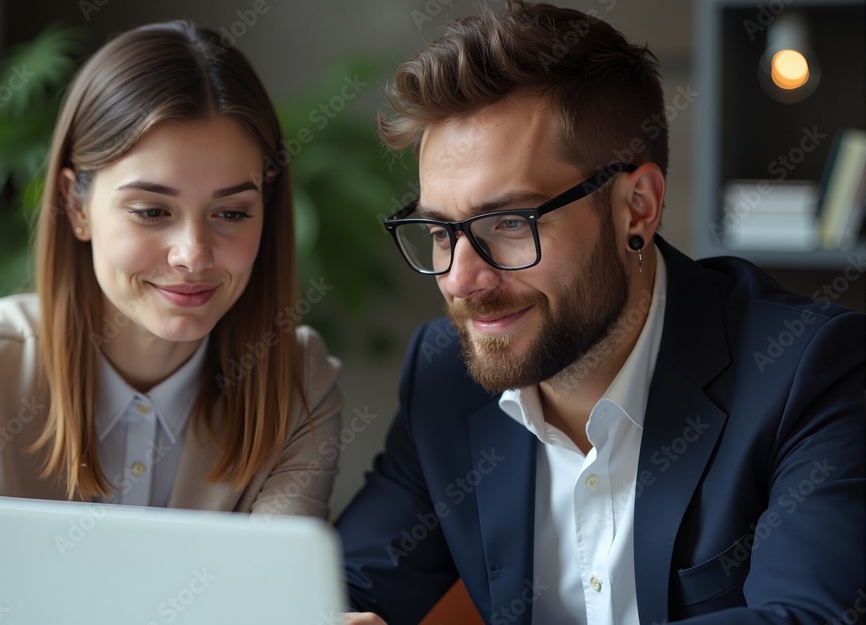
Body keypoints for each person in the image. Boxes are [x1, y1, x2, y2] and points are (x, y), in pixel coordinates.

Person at [337, 2, 865, 624]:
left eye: (509, 223)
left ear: (636, 207)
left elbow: (809, 617)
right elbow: (342, 586)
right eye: (439, 231)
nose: (460, 280)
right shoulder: (443, 375)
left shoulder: (812, 372)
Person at [0, 21, 342, 517]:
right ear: (76, 207)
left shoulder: (298, 384)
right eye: (152, 211)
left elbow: (279, 571)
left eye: (230, 214)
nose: (193, 255)